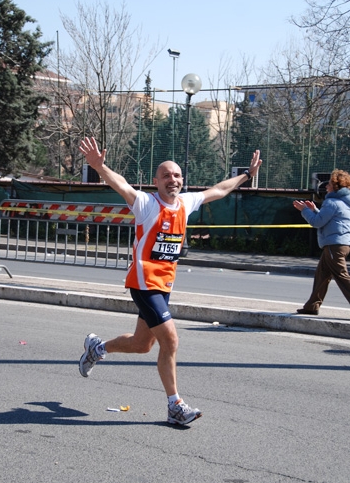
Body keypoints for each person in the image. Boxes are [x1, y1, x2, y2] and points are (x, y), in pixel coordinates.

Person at [78, 136, 262, 425]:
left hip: (164, 286)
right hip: (143, 283)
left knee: (142, 344)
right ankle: (175, 405)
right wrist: (101, 169)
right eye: (166, 175)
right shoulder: (146, 204)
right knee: (171, 341)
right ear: (156, 181)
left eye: (176, 175)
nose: (172, 180)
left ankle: (97, 348)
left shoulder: (186, 203)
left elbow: (220, 190)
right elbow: (122, 185)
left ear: (182, 180)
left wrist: (248, 175)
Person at [293, 169, 350, 315]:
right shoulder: (343, 203)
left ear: (335, 186)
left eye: (329, 183)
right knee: (322, 275)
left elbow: (316, 223)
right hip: (342, 243)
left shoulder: (331, 202)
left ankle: (312, 306)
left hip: (334, 245)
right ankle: (312, 306)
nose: (326, 186)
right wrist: (315, 210)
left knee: (341, 276)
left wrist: (304, 210)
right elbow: (329, 220)